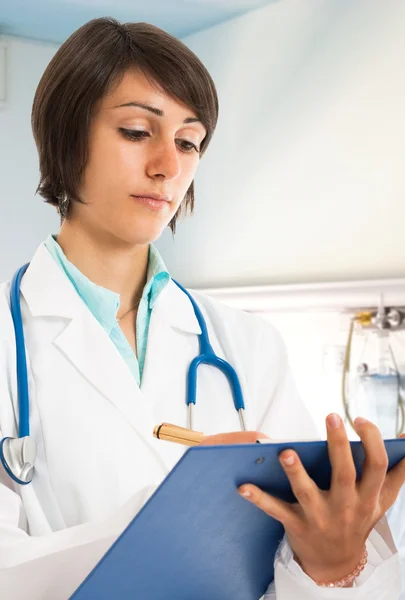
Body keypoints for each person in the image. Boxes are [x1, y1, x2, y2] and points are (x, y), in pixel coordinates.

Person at [0, 17, 404, 600]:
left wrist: (333, 565)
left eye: (189, 141)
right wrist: (174, 510)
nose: (169, 165)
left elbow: (319, 574)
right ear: (67, 138)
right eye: (138, 131)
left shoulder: (247, 345)